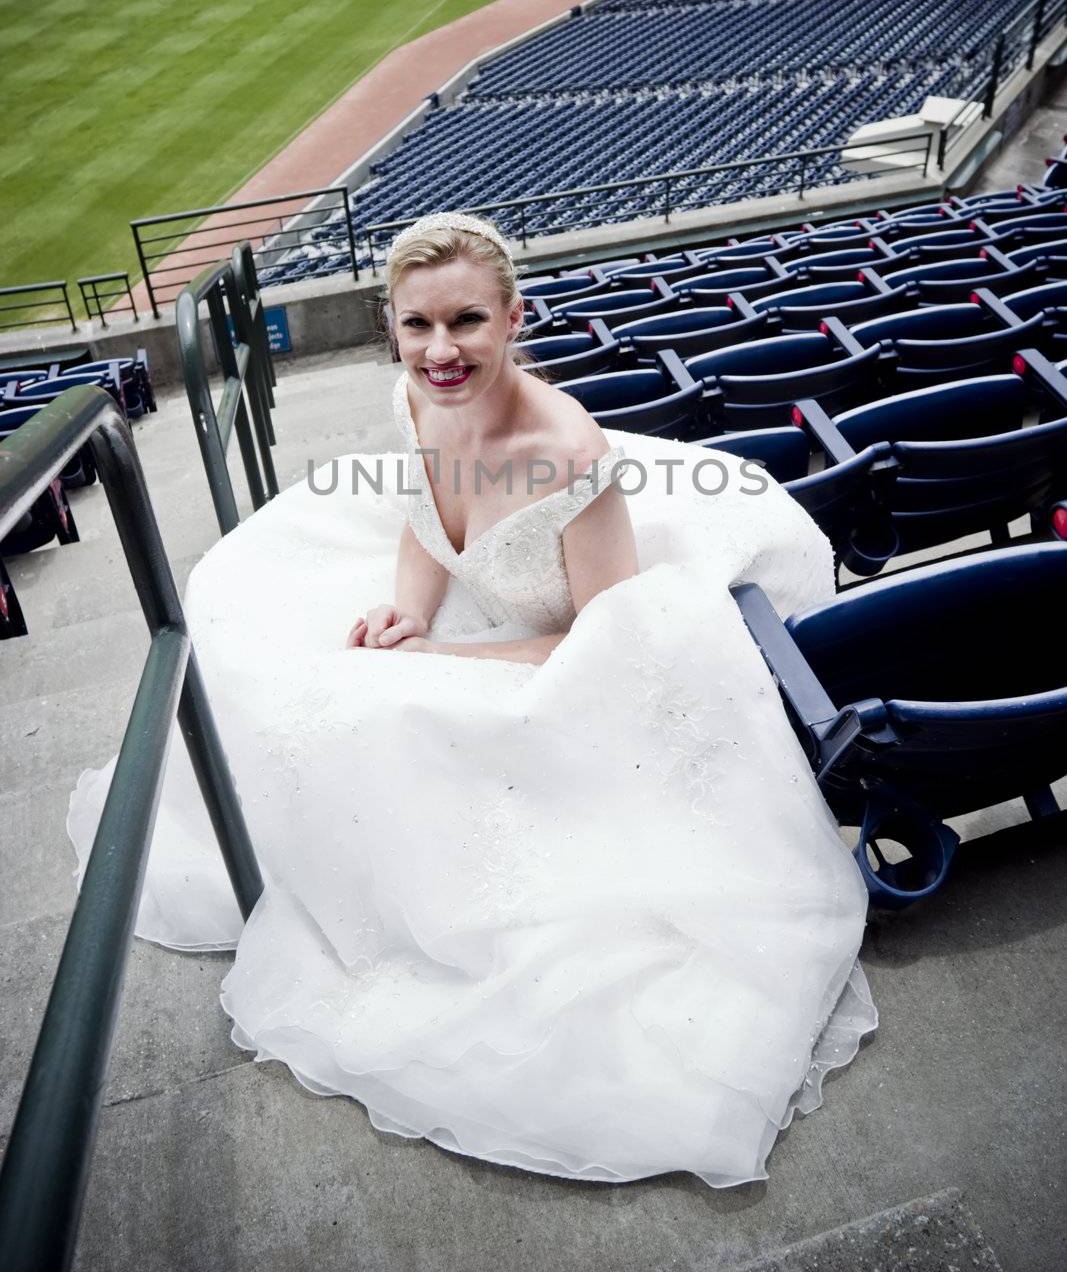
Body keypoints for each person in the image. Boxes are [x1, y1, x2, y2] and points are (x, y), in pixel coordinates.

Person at [68, 211, 876, 1189]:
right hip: (495, 609)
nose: (439, 350)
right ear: (391, 326)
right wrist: (409, 614)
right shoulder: (417, 394)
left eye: (465, 322)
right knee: (267, 634)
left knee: (395, 715)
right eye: (416, 326)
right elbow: (421, 508)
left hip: (584, 641)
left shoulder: (567, 455)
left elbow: (609, 641)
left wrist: (446, 667)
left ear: (511, 317)